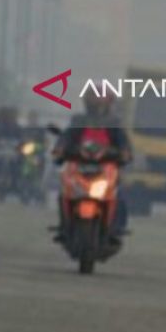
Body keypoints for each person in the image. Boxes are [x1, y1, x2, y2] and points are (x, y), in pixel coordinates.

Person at [52, 92, 132, 243]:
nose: (98, 109)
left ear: (108, 105)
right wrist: (60, 150)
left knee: (119, 196)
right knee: (64, 193)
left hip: (106, 167)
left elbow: (124, 144)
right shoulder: (78, 121)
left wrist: (124, 154)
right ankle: (65, 226)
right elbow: (66, 138)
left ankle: (116, 228)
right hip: (79, 165)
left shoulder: (115, 124)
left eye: (101, 106)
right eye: (94, 105)